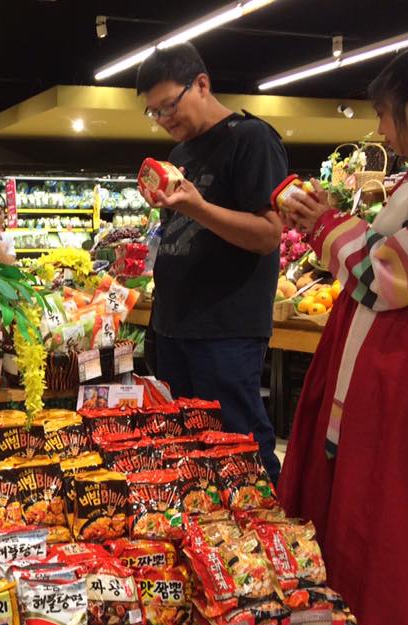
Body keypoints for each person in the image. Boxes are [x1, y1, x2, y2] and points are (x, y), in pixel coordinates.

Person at [276, 46, 408, 625]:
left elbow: (388, 276)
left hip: (406, 382)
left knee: (389, 520)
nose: (381, 132)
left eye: (385, 116)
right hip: (389, 373)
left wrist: (326, 225)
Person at [135, 44, 287, 480]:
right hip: (173, 326)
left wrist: (198, 207)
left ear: (201, 84)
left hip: (226, 329)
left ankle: (273, 522)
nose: (163, 120)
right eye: (154, 112)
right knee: (190, 453)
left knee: (240, 448)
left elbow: (268, 233)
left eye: (169, 105)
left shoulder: (252, 139)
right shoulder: (182, 154)